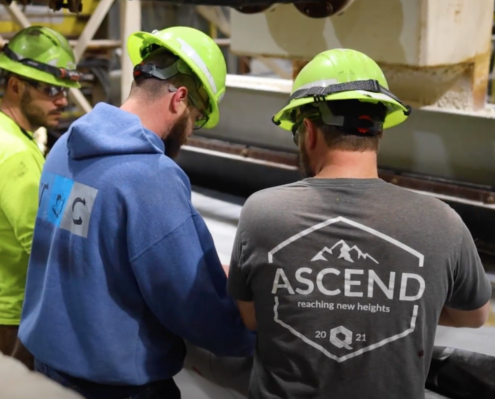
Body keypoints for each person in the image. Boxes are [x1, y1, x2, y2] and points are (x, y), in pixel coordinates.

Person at [227, 48, 492, 399]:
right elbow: (474, 316)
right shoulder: (443, 221)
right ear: (378, 132)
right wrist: (399, 307)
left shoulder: (261, 213)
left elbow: (254, 318)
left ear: (308, 131)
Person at [18, 26, 255, 399]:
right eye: (198, 116)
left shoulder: (65, 147)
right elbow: (192, 305)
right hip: (115, 387)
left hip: (48, 369)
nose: (191, 131)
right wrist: (253, 334)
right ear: (179, 99)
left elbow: (86, 249)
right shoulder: (151, 177)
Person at [0, 26, 80, 368]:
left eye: (63, 91)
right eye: (50, 90)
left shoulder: (13, 137)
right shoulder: (17, 154)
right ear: (16, 86)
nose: (62, 100)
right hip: (12, 313)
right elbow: (45, 240)